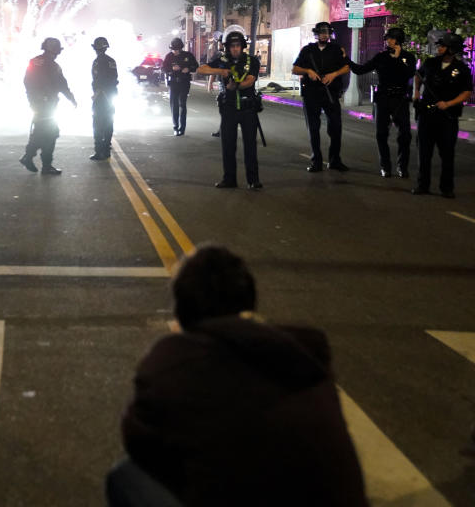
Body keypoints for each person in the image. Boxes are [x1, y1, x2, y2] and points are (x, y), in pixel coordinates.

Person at [117, 244, 368, 507]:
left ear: (181, 311)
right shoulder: (304, 354)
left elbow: (138, 439)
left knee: (126, 476)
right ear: (249, 300)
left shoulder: (174, 361)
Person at [347, 27, 417, 178]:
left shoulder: (408, 57)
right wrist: (346, 59)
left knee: (405, 135)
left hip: (400, 99)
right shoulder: (381, 57)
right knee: (381, 134)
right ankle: (385, 166)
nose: (388, 41)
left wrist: (397, 58)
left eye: (392, 38)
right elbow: (361, 70)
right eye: (387, 38)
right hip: (383, 98)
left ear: (399, 40)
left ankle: (402, 167)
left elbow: (409, 74)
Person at [198, 32, 262, 190]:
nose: (235, 49)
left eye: (238, 46)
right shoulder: (222, 60)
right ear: (227, 47)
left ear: (242, 46)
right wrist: (220, 72)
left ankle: (253, 180)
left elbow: (250, 80)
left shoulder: (252, 60)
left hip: (248, 108)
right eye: (232, 46)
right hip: (229, 108)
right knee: (228, 145)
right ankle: (229, 179)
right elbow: (202, 69)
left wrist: (237, 86)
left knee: (250, 146)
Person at [412, 33, 473, 198]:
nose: (438, 48)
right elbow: (419, 75)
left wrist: (449, 103)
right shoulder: (431, 63)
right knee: (424, 153)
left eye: (442, 46)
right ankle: (422, 185)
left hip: (447, 117)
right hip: (427, 115)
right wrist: (416, 91)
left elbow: (467, 92)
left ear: (451, 49)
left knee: (447, 154)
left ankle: (446, 188)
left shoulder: (462, 69)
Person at [292, 22, 351, 172]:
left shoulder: (336, 49)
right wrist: (308, 71)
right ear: (316, 34)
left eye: (327, 33)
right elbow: (295, 69)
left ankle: (335, 160)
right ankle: (316, 161)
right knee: (313, 128)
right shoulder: (308, 50)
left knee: (336, 127)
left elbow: (346, 67)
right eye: (322, 32)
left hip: (330, 94)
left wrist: (334, 74)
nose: (324, 35)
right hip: (312, 94)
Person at [19, 37, 77, 175]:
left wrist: (34, 100)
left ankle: (33, 158)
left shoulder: (34, 62)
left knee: (42, 131)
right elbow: (62, 84)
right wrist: (71, 98)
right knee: (50, 133)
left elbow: (27, 82)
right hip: (46, 105)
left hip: (40, 103)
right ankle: (38, 161)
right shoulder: (52, 65)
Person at [90, 36, 119, 160]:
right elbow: (114, 78)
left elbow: (103, 79)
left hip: (102, 96)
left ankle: (99, 151)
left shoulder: (98, 61)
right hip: (108, 95)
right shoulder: (110, 61)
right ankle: (105, 149)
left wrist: (98, 90)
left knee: (98, 123)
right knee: (107, 123)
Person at [162, 37, 197, 136]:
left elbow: (195, 66)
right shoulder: (169, 56)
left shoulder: (188, 56)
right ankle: (175, 127)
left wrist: (188, 69)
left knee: (182, 104)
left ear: (181, 48)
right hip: (173, 83)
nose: (175, 51)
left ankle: (182, 128)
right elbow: (163, 68)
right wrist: (171, 69)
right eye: (173, 49)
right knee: (174, 105)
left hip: (184, 82)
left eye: (176, 49)